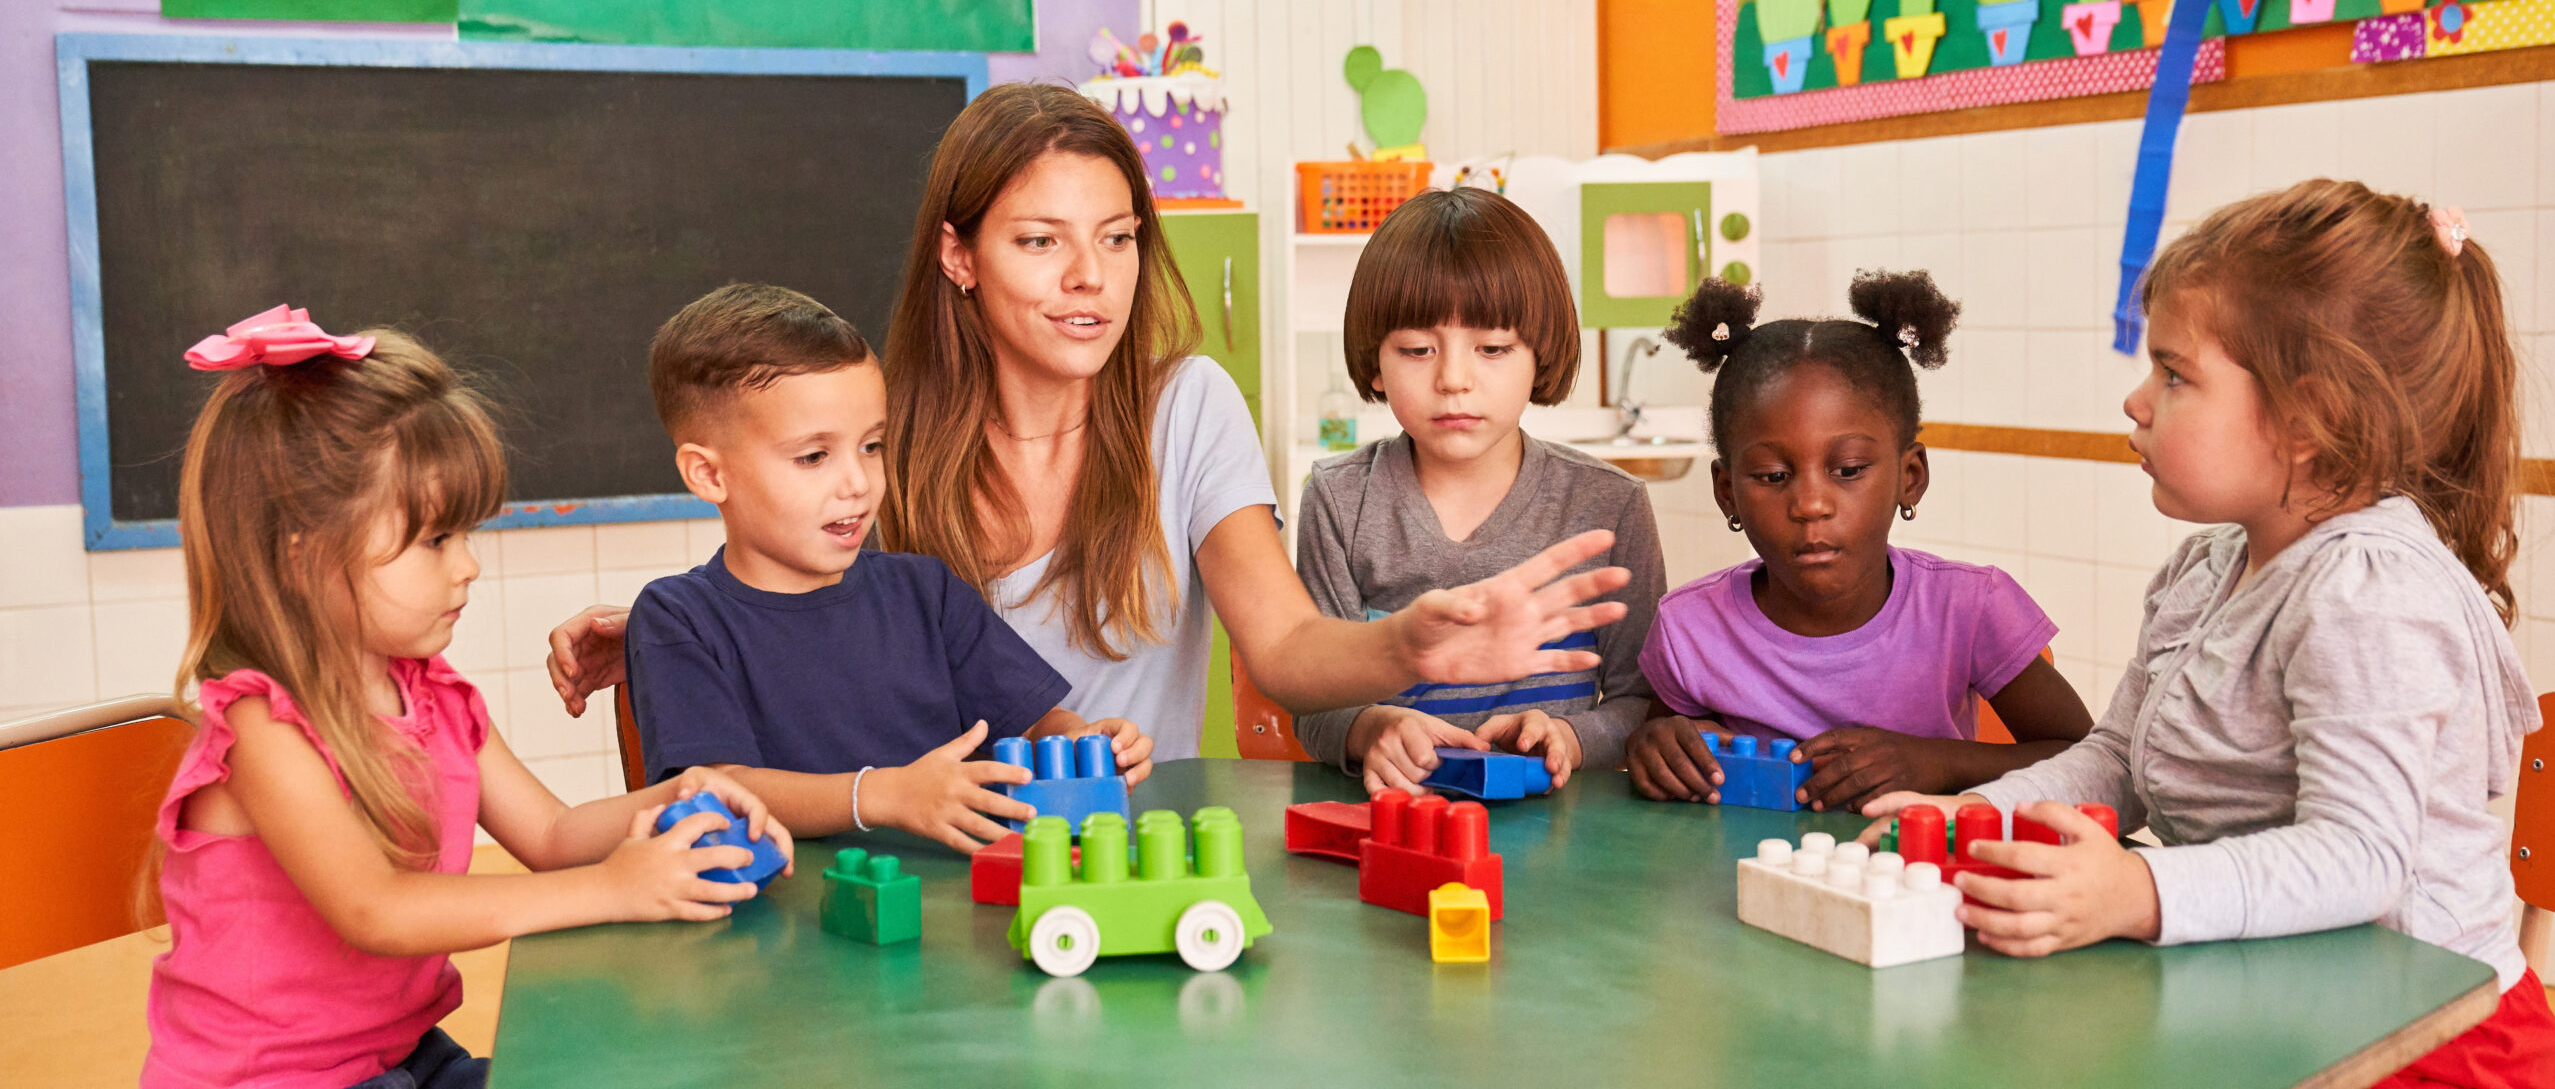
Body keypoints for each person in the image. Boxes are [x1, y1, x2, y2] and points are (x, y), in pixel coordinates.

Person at [546, 84, 1632, 753]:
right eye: (1039, 241)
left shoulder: (1187, 404)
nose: (1089, 280)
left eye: (1115, 238)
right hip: (934, 860)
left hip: (1122, 851)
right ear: (958, 255)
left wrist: (1407, 642)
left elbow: (1288, 645)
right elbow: (806, 609)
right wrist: (669, 623)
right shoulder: (888, 439)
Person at [1860, 183, 2555, 1087]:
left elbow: (2363, 857)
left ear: (2313, 420)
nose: (2136, 401)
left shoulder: (2367, 592)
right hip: (2273, 1005)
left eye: (2175, 374)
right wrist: (1989, 812)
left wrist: (2138, 891)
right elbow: (2118, 758)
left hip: (2427, 1042)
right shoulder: (2206, 568)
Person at [145, 309, 785, 1089]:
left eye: (467, 534)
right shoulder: (260, 728)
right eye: (436, 540)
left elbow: (551, 832)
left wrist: (682, 789)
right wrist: (612, 889)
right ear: (304, 552)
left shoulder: (435, 698)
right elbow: (374, 910)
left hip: (402, 1058)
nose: (469, 567)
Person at [623, 284, 1151, 850]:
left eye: (871, 446)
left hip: (959, 903)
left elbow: (1036, 724)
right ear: (708, 475)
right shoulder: (678, 618)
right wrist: (883, 795)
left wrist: (1083, 742)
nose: (858, 483)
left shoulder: (927, 592)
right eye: (813, 456)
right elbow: (719, 788)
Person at [1624, 271, 2093, 811]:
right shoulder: (1691, 630)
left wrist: (1935, 763)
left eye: (1847, 469)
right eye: (1774, 475)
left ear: (1909, 475)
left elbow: (2084, 759)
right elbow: (1657, 745)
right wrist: (1651, 746)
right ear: (1727, 492)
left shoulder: (1968, 609)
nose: (1811, 504)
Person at [1290, 188, 1663, 793]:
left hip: (1560, 833)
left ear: (1539, 358)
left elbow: (1643, 702)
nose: (1454, 380)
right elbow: (1310, 697)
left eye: (1492, 349)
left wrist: (1569, 737)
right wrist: (1370, 727)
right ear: (1376, 364)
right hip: (1392, 822)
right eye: (1417, 349)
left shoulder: (1610, 505)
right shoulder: (1339, 499)